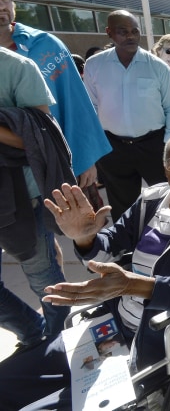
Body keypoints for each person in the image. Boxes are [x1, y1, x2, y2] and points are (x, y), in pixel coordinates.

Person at [0, 132, 170, 410]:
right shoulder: (152, 200)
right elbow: (109, 246)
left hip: (157, 339)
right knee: (6, 381)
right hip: (110, 323)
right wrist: (83, 237)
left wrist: (132, 285)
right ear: (164, 166)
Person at [0, 0, 110, 196]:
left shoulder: (44, 45)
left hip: (44, 168)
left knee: (41, 226)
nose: (1, 5)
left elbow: (75, 101)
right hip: (5, 173)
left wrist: (84, 157)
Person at [0, 47, 74, 353]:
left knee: (46, 282)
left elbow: (41, 138)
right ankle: (32, 333)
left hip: (20, 199)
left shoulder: (16, 67)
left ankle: (60, 348)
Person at [83, 10, 170, 222]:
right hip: (113, 148)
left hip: (154, 145)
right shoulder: (94, 65)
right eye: (122, 31)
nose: (130, 36)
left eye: (134, 31)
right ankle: (129, 250)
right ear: (109, 33)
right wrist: (94, 147)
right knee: (122, 207)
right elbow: (89, 108)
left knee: (167, 199)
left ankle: (167, 242)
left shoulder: (158, 68)